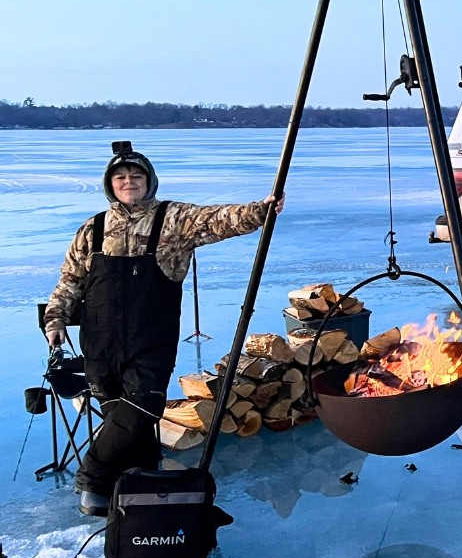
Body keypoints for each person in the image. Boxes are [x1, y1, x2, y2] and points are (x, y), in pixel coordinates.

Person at [43, 141, 283, 517]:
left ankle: (92, 479)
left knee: (143, 407)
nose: (128, 181)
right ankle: (135, 493)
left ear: (149, 181)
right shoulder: (92, 230)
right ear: (110, 185)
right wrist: (55, 319)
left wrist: (259, 211)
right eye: (120, 177)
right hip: (100, 342)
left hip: (150, 339)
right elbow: (70, 281)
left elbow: (216, 219)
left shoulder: (172, 219)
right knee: (122, 420)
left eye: (136, 175)